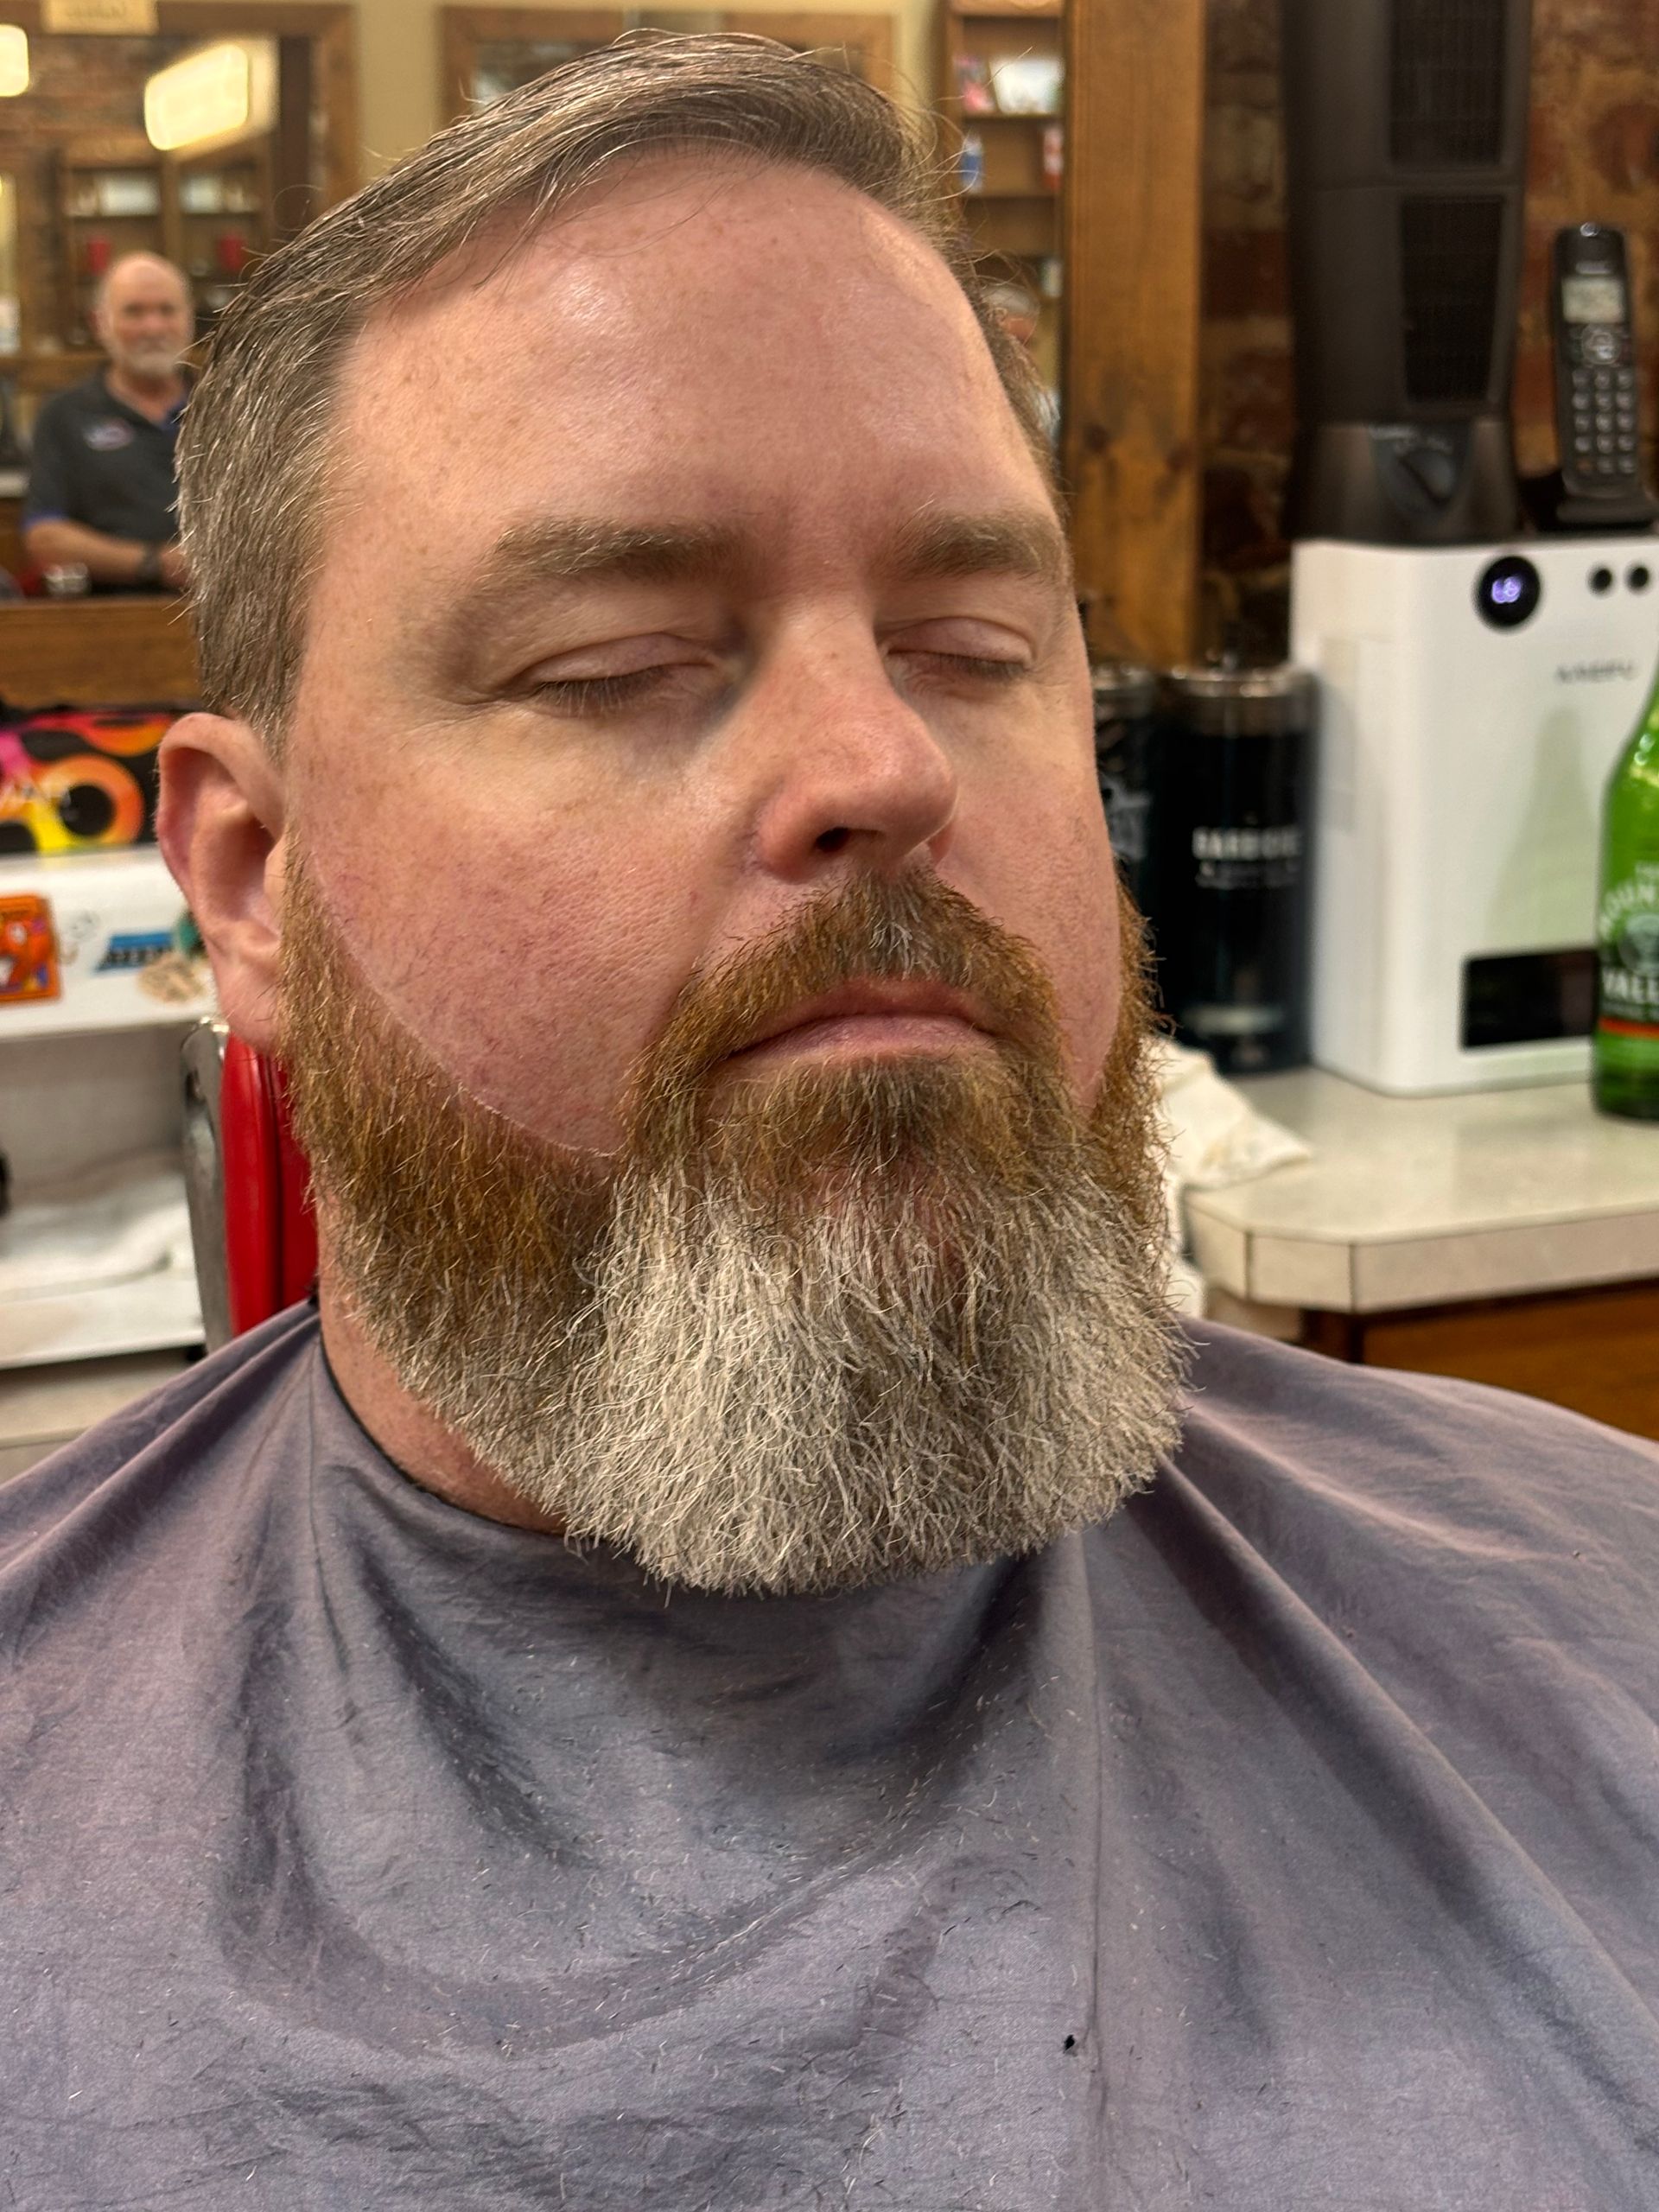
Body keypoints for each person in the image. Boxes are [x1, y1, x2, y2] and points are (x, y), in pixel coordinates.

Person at [2, 39, 1656, 2209]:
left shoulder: (1600, 1627)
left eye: (973, 640)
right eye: (612, 660)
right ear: (251, 880)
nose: (885, 761)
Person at [21, 251, 193, 591]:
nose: (153, 327)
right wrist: (155, 563)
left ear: (188, 318)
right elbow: (45, 539)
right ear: (99, 322)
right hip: (108, 617)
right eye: (134, 311)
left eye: (167, 310)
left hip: (229, 614)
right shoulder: (64, 415)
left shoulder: (227, 407)